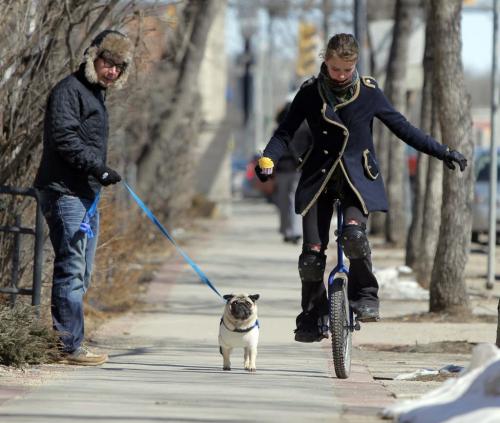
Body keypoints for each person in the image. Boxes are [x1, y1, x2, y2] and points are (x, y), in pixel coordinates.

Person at [256, 33, 467, 343]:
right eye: (335, 68)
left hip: (357, 179)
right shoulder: (310, 93)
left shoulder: (368, 93)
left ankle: (366, 296)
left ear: (355, 64)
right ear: (325, 62)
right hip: (320, 179)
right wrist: (267, 159)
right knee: (311, 257)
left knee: (354, 237)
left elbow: (403, 128)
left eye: (347, 69)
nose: (341, 75)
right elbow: (284, 133)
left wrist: (443, 151)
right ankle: (312, 315)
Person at [34, 30, 133, 364]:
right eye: (108, 63)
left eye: (119, 67)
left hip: (86, 194)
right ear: (94, 58)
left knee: (84, 271)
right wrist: (98, 168)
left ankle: (69, 340)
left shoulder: (95, 96)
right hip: (64, 192)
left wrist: (98, 174)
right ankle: (69, 346)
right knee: (72, 268)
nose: (113, 72)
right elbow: (64, 137)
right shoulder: (69, 91)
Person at [272, 102, 312, 244]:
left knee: (283, 201)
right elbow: (311, 146)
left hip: (283, 169)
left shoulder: (280, 129)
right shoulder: (306, 127)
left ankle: (287, 230)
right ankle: (295, 231)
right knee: (295, 200)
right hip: (298, 169)